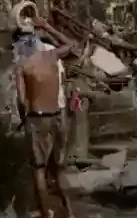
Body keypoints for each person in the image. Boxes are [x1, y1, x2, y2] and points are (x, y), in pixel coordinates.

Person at [13, 29, 84, 218]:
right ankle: (69, 211)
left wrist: (23, 118)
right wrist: (49, 28)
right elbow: (72, 45)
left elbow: (21, 100)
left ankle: (47, 214)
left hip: (38, 119)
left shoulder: (22, 66)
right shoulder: (51, 55)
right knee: (57, 169)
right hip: (57, 117)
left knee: (39, 169)